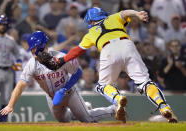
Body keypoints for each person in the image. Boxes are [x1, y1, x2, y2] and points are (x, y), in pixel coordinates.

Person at [39, 7, 178, 123]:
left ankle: (118, 99)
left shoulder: (91, 32)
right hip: (127, 45)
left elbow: (77, 50)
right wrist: (137, 14)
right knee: (144, 82)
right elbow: (125, 12)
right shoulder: (113, 18)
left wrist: (61, 61)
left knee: (102, 86)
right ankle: (164, 106)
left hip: (107, 50)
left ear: (90, 20)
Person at [0, 31, 116, 123]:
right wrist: (10, 105)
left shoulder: (61, 57)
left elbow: (78, 73)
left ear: (44, 46)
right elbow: (20, 85)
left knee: (87, 119)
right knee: (63, 120)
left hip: (69, 93)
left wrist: (65, 89)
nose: (34, 52)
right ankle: (84, 107)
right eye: (32, 49)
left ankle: (113, 110)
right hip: (52, 98)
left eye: (36, 48)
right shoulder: (32, 64)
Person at [0, 15, 22, 122]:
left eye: (4, 24)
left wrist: (18, 63)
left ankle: (3, 123)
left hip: (8, 71)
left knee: (7, 100)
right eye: (0, 24)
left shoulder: (11, 40)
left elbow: (18, 55)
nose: (3, 26)